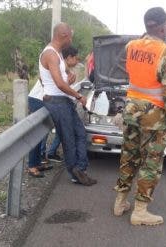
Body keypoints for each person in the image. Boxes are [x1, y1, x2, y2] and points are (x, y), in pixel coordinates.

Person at [113, 7, 166, 226]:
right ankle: (140, 211)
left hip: (131, 112)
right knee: (150, 163)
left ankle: (120, 202)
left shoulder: (131, 46)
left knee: (128, 157)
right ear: (160, 27)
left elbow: (130, 74)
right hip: (154, 118)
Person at [39, 22, 96, 186]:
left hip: (63, 100)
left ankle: (80, 169)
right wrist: (79, 96)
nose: (71, 38)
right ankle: (76, 173)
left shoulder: (57, 53)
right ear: (64, 36)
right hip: (57, 102)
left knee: (80, 133)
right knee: (69, 139)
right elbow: (58, 83)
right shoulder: (50, 53)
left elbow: (57, 78)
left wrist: (69, 78)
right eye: (70, 35)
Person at [42, 46, 80, 163]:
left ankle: (50, 152)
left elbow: (63, 85)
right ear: (69, 57)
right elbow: (59, 85)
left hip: (51, 99)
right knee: (44, 130)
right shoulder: (56, 62)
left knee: (59, 129)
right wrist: (76, 95)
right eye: (76, 59)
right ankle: (43, 154)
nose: (77, 62)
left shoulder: (65, 68)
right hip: (42, 98)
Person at [28, 79, 53, 177]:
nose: (76, 62)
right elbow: (43, 78)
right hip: (37, 99)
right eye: (76, 61)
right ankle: (31, 166)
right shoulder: (55, 63)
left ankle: (37, 163)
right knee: (36, 135)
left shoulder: (61, 65)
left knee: (40, 134)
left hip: (43, 99)